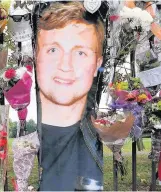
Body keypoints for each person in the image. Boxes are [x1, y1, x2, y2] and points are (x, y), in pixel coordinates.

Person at [33, 1, 107, 191]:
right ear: (36, 55)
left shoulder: (93, 139)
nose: (65, 65)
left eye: (80, 53)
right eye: (53, 50)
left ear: (97, 64)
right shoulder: (21, 135)